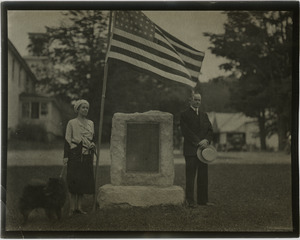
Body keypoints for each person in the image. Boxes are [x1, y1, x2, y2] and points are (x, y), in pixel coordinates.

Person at [180, 93, 213, 208]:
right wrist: (198, 142)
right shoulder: (184, 115)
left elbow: (210, 130)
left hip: (203, 150)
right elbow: (186, 131)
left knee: (203, 175)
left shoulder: (204, 115)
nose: (198, 102)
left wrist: (206, 141)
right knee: (190, 176)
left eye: (199, 100)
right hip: (191, 150)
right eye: (196, 100)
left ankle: (203, 200)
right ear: (190, 101)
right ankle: (190, 201)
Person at [63, 99, 95, 215]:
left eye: (87, 108)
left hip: (87, 155)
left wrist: (92, 145)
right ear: (78, 109)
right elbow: (67, 140)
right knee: (73, 180)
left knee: (83, 181)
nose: (85, 110)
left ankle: (79, 207)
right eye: (83, 107)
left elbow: (92, 138)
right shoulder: (72, 123)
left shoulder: (91, 123)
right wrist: (66, 156)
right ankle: (72, 208)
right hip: (75, 154)